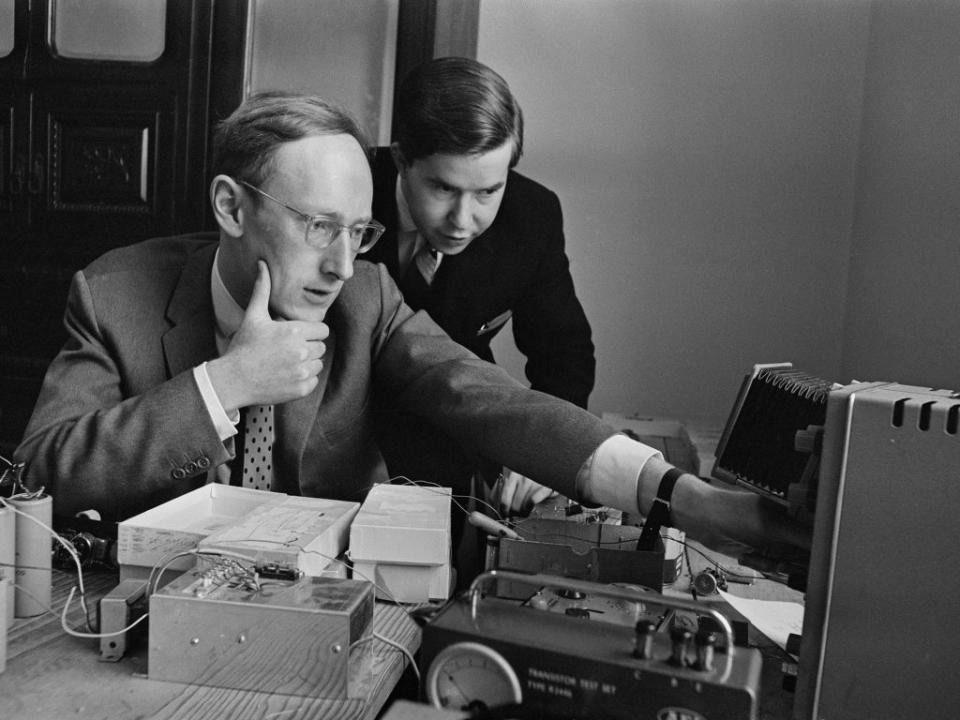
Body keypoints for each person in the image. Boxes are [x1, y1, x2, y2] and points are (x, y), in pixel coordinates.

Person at [14, 91, 807, 558]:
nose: (341, 264)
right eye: (318, 226)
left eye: (359, 231)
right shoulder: (114, 294)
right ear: (231, 207)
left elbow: (492, 400)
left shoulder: (366, 295)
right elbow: (42, 474)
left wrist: (682, 496)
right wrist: (223, 385)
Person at [366, 57, 593, 515]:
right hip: (335, 450)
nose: (463, 220)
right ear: (401, 160)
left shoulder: (533, 216)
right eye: (444, 189)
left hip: (456, 455)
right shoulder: (341, 193)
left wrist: (545, 453)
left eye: (488, 191)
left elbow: (563, 354)